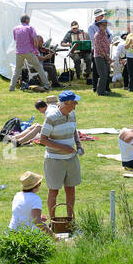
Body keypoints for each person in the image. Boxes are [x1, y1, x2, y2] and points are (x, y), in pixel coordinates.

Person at [38, 91, 83, 224]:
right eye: (74, 103)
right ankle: (53, 222)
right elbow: (43, 139)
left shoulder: (72, 114)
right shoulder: (51, 117)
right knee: (54, 191)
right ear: (66, 103)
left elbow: (74, 130)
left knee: (71, 189)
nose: (75, 106)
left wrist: (79, 145)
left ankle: (70, 219)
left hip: (71, 158)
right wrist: (64, 148)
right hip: (54, 160)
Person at [10, 14, 49, 91]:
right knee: (39, 67)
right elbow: (35, 40)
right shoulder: (30, 28)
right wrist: (35, 49)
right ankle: (47, 85)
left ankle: (11, 87)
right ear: (27, 20)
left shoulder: (15, 28)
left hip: (18, 52)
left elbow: (15, 39)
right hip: (28, 51)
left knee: (17, 70)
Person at [89, 10, 113, 95]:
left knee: (105, 74)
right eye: (103, 25)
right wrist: (107, 57)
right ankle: (100, 91)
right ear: (99, 26)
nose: (105, 26)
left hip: (104, 55)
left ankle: (102, 90)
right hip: (99, 56)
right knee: (102, 74)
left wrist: (107, 56)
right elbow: (99, 48)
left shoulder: (105, 34)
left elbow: (107, 44)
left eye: (105, 25)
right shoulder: (97, 35)